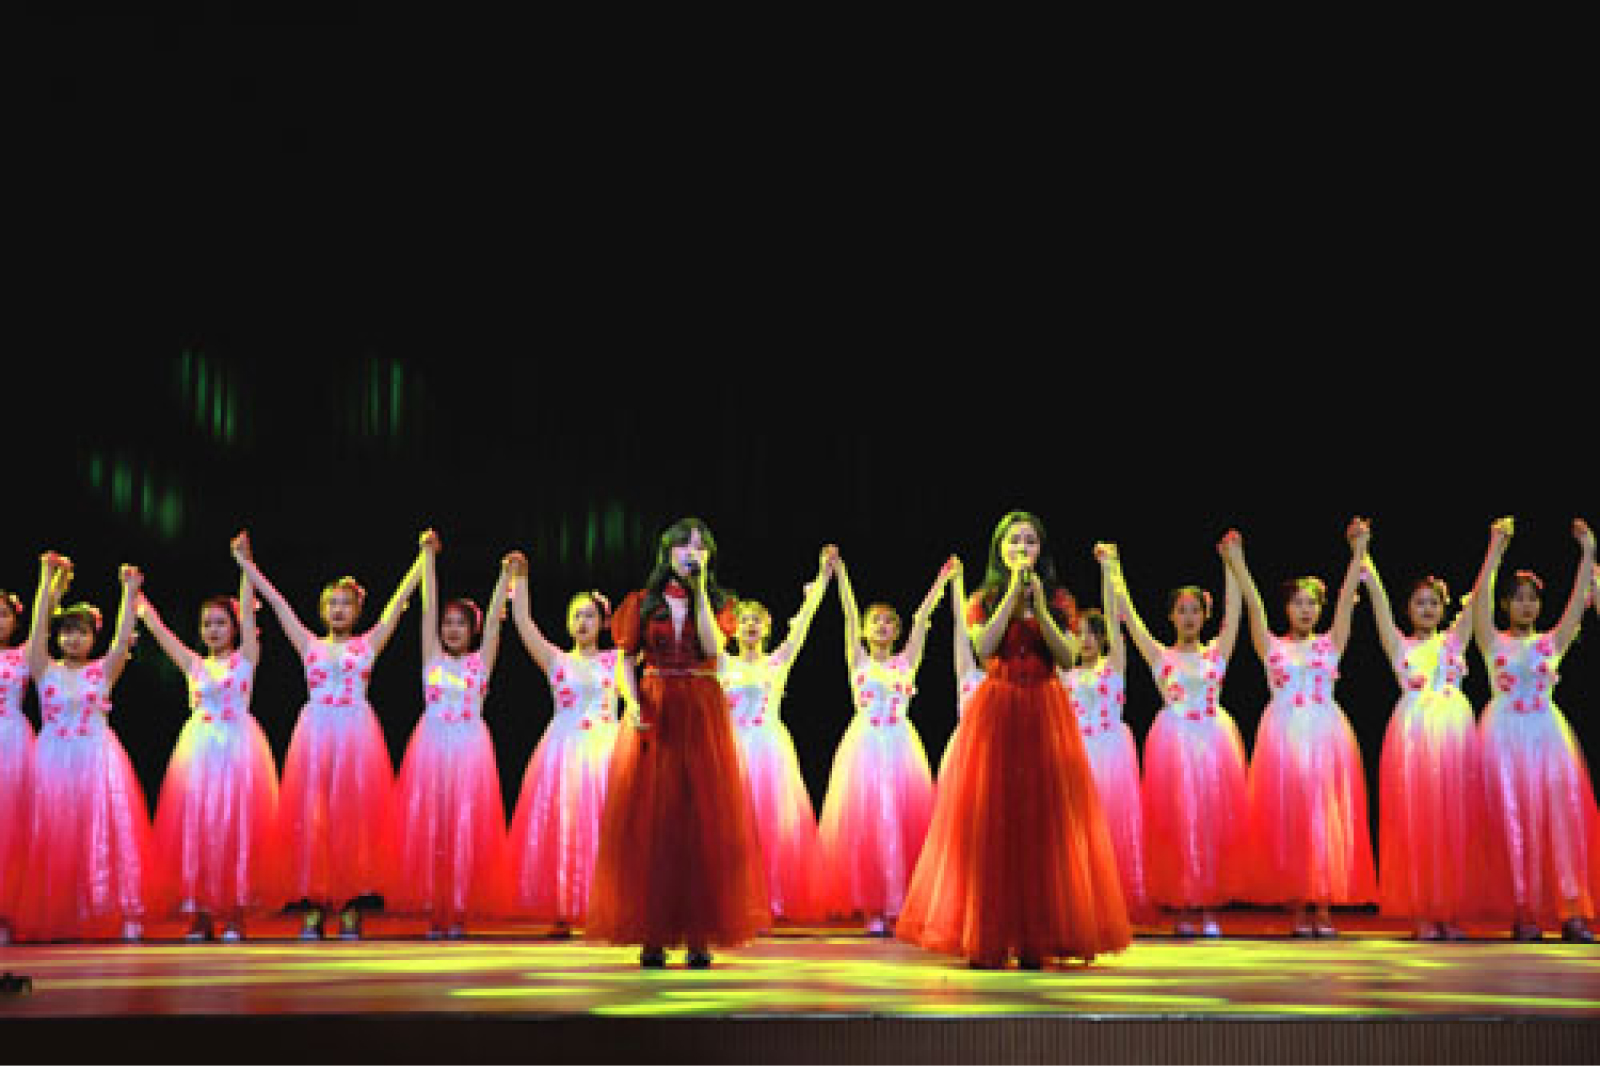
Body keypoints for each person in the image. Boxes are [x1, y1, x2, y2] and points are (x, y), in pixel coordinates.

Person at [898, 510, 1130, 969]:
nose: (1022, 548)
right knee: (992, 824)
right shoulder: (984, 598)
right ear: (1000, 550)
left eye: (1030, 541)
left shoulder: (1058, 598)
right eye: (1014, 541)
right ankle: (988, 935)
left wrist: (1040, 606)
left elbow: (1067, 657)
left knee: (1042, 827)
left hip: (1045, 709)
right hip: (998, 709)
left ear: (1041, 550)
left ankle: (1035, 939)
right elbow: (983, 648)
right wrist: (1010, 598)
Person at [585, 518, 769, 968]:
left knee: (699, 822)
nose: (692, 552)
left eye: (701, 546)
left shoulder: (720, 603)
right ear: (667, 552)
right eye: (685, 545)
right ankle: (653, 934)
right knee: (654, 821)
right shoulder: (641, 603)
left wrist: (700, 590)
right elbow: (626, 661)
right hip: (656, 706)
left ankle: (698, 935)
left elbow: (711, 646)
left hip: (700, 710)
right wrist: (632, 703)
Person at [239, 531, 426, 939]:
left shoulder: (368, 643)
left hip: (357, 739)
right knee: (314, 821)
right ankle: (314, 905)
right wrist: (246, 564)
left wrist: (422, 558)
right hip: (316, 737)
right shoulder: (308, 643)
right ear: (322, 610)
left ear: (358, 610)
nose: (339, 610)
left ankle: (351, 905)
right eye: (332, 603)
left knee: (354, 822)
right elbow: (277, 604)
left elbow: (399, 604)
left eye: (346, 603)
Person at [1223, 522, 1376, 936]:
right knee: (1290, 818)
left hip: (1326, 737)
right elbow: (1254, 605)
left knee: (1322, 816)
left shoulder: (1331, 643)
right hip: (1284, 739)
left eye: (1311, 604)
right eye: (1297, 603)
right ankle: (1297, 905)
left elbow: (1348, 599)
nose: (1305, 610)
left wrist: (1358, 551)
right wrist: (1238, 562)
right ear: (1286, 609)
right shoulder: (1271, 646)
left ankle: (1322, 906)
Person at [137, 534, 281, 941]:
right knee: (197, 830)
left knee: (236, 830)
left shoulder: (245, 660)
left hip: (239, 751)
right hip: (198, 753)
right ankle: (200, 914)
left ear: (235, 627)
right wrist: (138, 599)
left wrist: (245, 564)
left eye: (220, 623)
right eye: (207, 624)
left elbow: (250, 615)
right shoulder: (194, 665)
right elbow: (160, 632)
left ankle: (234, 914)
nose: (213, 630)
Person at [1107, 533, 1249, 937]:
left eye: (1195, 611)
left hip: (1214, 746)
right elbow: (1128, 615)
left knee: (1211, 825)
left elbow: (1235, 612)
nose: (1188, 617)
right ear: (1170, 616)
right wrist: (1113, 569)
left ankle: (1208, 903)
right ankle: (1184, 903)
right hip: (1173, 747)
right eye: (1181, 611)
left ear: (1204, 615)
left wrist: (1231, 562)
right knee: (1179, 824)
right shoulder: (1160, 655)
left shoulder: (1216, 652)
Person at [13, 554, 152, 941]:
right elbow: (37, 628)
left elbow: (122, 640)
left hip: (95, 757)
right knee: (54, 836)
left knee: (102, 833)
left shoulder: (102, 670)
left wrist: (129, 592)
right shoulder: (44, 669)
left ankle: (117, 912)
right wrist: (46, 578)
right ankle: (61, 913)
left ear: (93, 637)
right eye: (67, 632)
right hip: (53, 761)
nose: (73, 639)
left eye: (82, 632)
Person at [1473, 516, 1599, 942]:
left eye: (1532, 599)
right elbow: (1479, 600)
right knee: (1515, 821)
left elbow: (1577, 601)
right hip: (1504, 737)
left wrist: (1587, 551)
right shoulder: (1492, 641)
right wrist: (1496, 548)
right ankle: (1524, 910)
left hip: (1547, 736)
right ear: (1506, 605)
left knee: (1561, 820)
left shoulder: (1552, 642)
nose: (1526, 606)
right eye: (1518, 599)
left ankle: (1572, 911)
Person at [1359, 530, 1485, 940]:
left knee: (1454, 825)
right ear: (1409, 609)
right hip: (1413, 739)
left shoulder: (1455, 641)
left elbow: (1478, 597)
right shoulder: (1400, 645)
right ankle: (1425, 913)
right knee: (1419, 825)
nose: (1427, 609)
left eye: (1433, 603)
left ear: (1444, 608)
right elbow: (1378, 604)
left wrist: (1495, 548)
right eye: (1419, 603)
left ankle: (1451, 912)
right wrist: (1363, 555)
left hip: (1453, 738)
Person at [815, 552, 948, 934]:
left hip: (901, 746)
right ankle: (873, 905)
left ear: (897, 630)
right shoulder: (858, 660)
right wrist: (841, 574)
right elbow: (848, 615)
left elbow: (922, 619)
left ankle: (901, 903)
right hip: (865, 747)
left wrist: (942, 582)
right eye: (876, 620)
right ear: (865, 630)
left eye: (889, 621)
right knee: (869, 823)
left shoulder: (906, 661)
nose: (882, 626)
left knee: (902, 822)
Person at [390, 533, 514, 937]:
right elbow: (427, 608)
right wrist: (427, 557)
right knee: (433, 827)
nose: (452, 629)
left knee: (464, 826)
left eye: (461, 623)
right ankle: (435, 909)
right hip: (431, 748)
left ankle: (458, 909)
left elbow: (494, 622)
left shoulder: (481, 662)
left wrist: (505, 577)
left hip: (470, 749)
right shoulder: (432, 657)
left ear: (472, 629)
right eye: (448, 623)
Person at [505, 555, 621, 935]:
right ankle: (563, 906)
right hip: (564, 750)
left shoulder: (617, 660)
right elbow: (524, 623)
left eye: (590, 615)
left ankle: (607, 906)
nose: (582, 622)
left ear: (603, 622)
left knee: (605, 827)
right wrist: (521, 579)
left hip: (606, 750)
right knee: (565, 827)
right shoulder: (556, 660)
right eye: (576, 616)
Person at [719, 546, 836, 923]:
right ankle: (733, 898)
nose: (750, 625)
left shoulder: (777, 661)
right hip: (731, 747)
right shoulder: (722, 664)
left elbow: (802, 626)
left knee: (771, 824)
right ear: (733, 628)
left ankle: (771, 897)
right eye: (744, 619)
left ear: (767, 627)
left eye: (757, 620)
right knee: (731, 826)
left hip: (769, 749)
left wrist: (822, 580)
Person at [1065, 544, 1147, 917]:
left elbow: (1115, 619)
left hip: (1110, 753)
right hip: (1075, 753)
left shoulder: (1113, 666)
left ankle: (1110, 902)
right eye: (1078, 633)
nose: (1085, 640)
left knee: (1111, 826)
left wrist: (1109, 569)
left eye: (1091, 633)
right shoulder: (1064, 674)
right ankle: (1078, 899)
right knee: (1076, 830)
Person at [0, 585, 36, 944]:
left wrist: (49, 584)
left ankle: (7, 911)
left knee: (10, 827)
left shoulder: (23, 655)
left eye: (3, 614)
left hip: (10, 742)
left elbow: (43, 623)